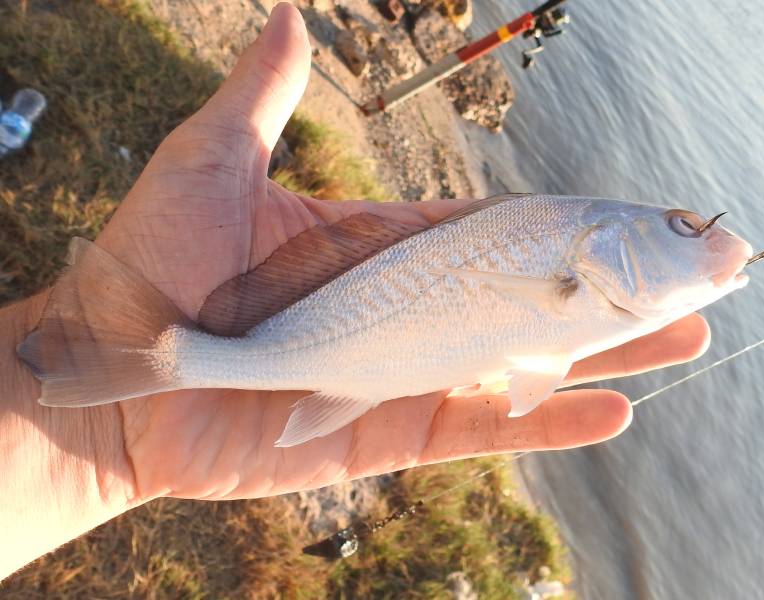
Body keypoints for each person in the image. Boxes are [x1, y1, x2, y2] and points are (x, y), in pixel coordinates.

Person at [0, 3, 710, 580]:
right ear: (606, 242)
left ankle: (140, 359)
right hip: (306, 343)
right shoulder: (575, 269)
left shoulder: (590, 290)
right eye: (681, 228)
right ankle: (159, 356)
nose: (701, 241)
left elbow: (536, 361)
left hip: (350, 367)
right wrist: (100, 438)